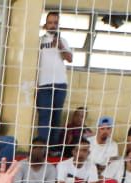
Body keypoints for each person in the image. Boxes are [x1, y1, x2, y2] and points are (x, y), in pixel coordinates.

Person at [35, 11, 73, 145]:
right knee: (45, 117)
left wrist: (60, 45)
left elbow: (69, 59)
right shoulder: (39, 41)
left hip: (60, 84)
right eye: (50, 23)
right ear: (45, 25)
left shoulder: (63, 41)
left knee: (56, 117)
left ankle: (54, 147)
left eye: (55, 23)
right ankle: (42, 147)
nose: (52, 25)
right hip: (44, 84)